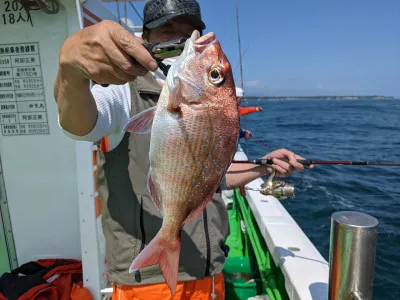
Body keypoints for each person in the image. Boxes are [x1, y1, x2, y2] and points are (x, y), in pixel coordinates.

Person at [54, 0, 308, 299]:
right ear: (145, 40)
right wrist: (70, 73)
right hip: (147, 283)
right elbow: (78, 125)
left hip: (209, 268)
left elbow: (210, 180)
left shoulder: (200, 106)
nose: (183, 38)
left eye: (190, 30)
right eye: (167, 30)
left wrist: (263, 167)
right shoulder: (123, 90)